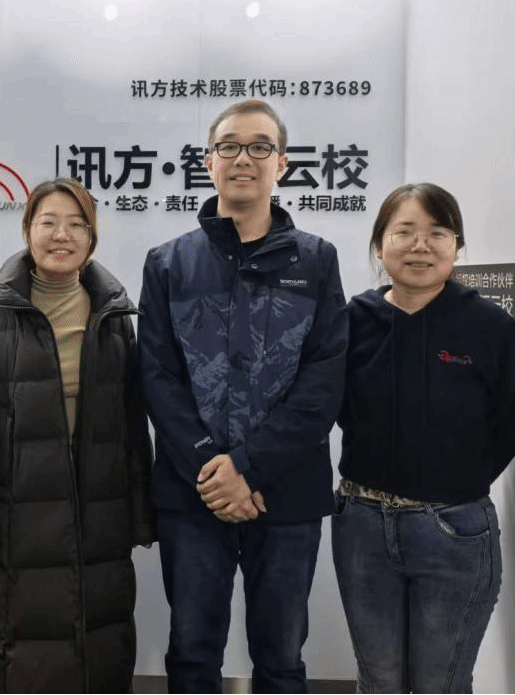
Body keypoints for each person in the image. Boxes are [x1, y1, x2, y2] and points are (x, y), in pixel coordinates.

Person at [138, 99, 348, 693]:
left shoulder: (316, 260)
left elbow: (323, 381)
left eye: (260, 147)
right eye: (229, 146)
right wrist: (215, 468)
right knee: (192, 655)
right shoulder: (169, 263)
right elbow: (157, 377)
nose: (243, 159)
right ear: (208, 161)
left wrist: (249, 467)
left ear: (281, 164)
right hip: (193, 492)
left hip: (287, 491)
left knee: (281, 660)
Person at [0, 177, 155, 693]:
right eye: (49, 222)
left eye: (77, 224)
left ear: (92, 236)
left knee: (95, 645)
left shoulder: (113, 315)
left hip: (97, 519)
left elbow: (131, 424)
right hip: (15, 522)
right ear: (27, 230)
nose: (62, 235)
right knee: (13, 654)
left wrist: (138, 513)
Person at [332, 182, 515, 693]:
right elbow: (333, 406)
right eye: (405, 232)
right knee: (378, 679)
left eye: (438, 233)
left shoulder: (489, 325)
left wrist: (453, 482)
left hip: (454, 530)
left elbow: (513, 417)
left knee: (440, 683)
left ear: (456, 247)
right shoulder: (352, 320)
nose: (420, 245)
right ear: (380, 245)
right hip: (362, 525)